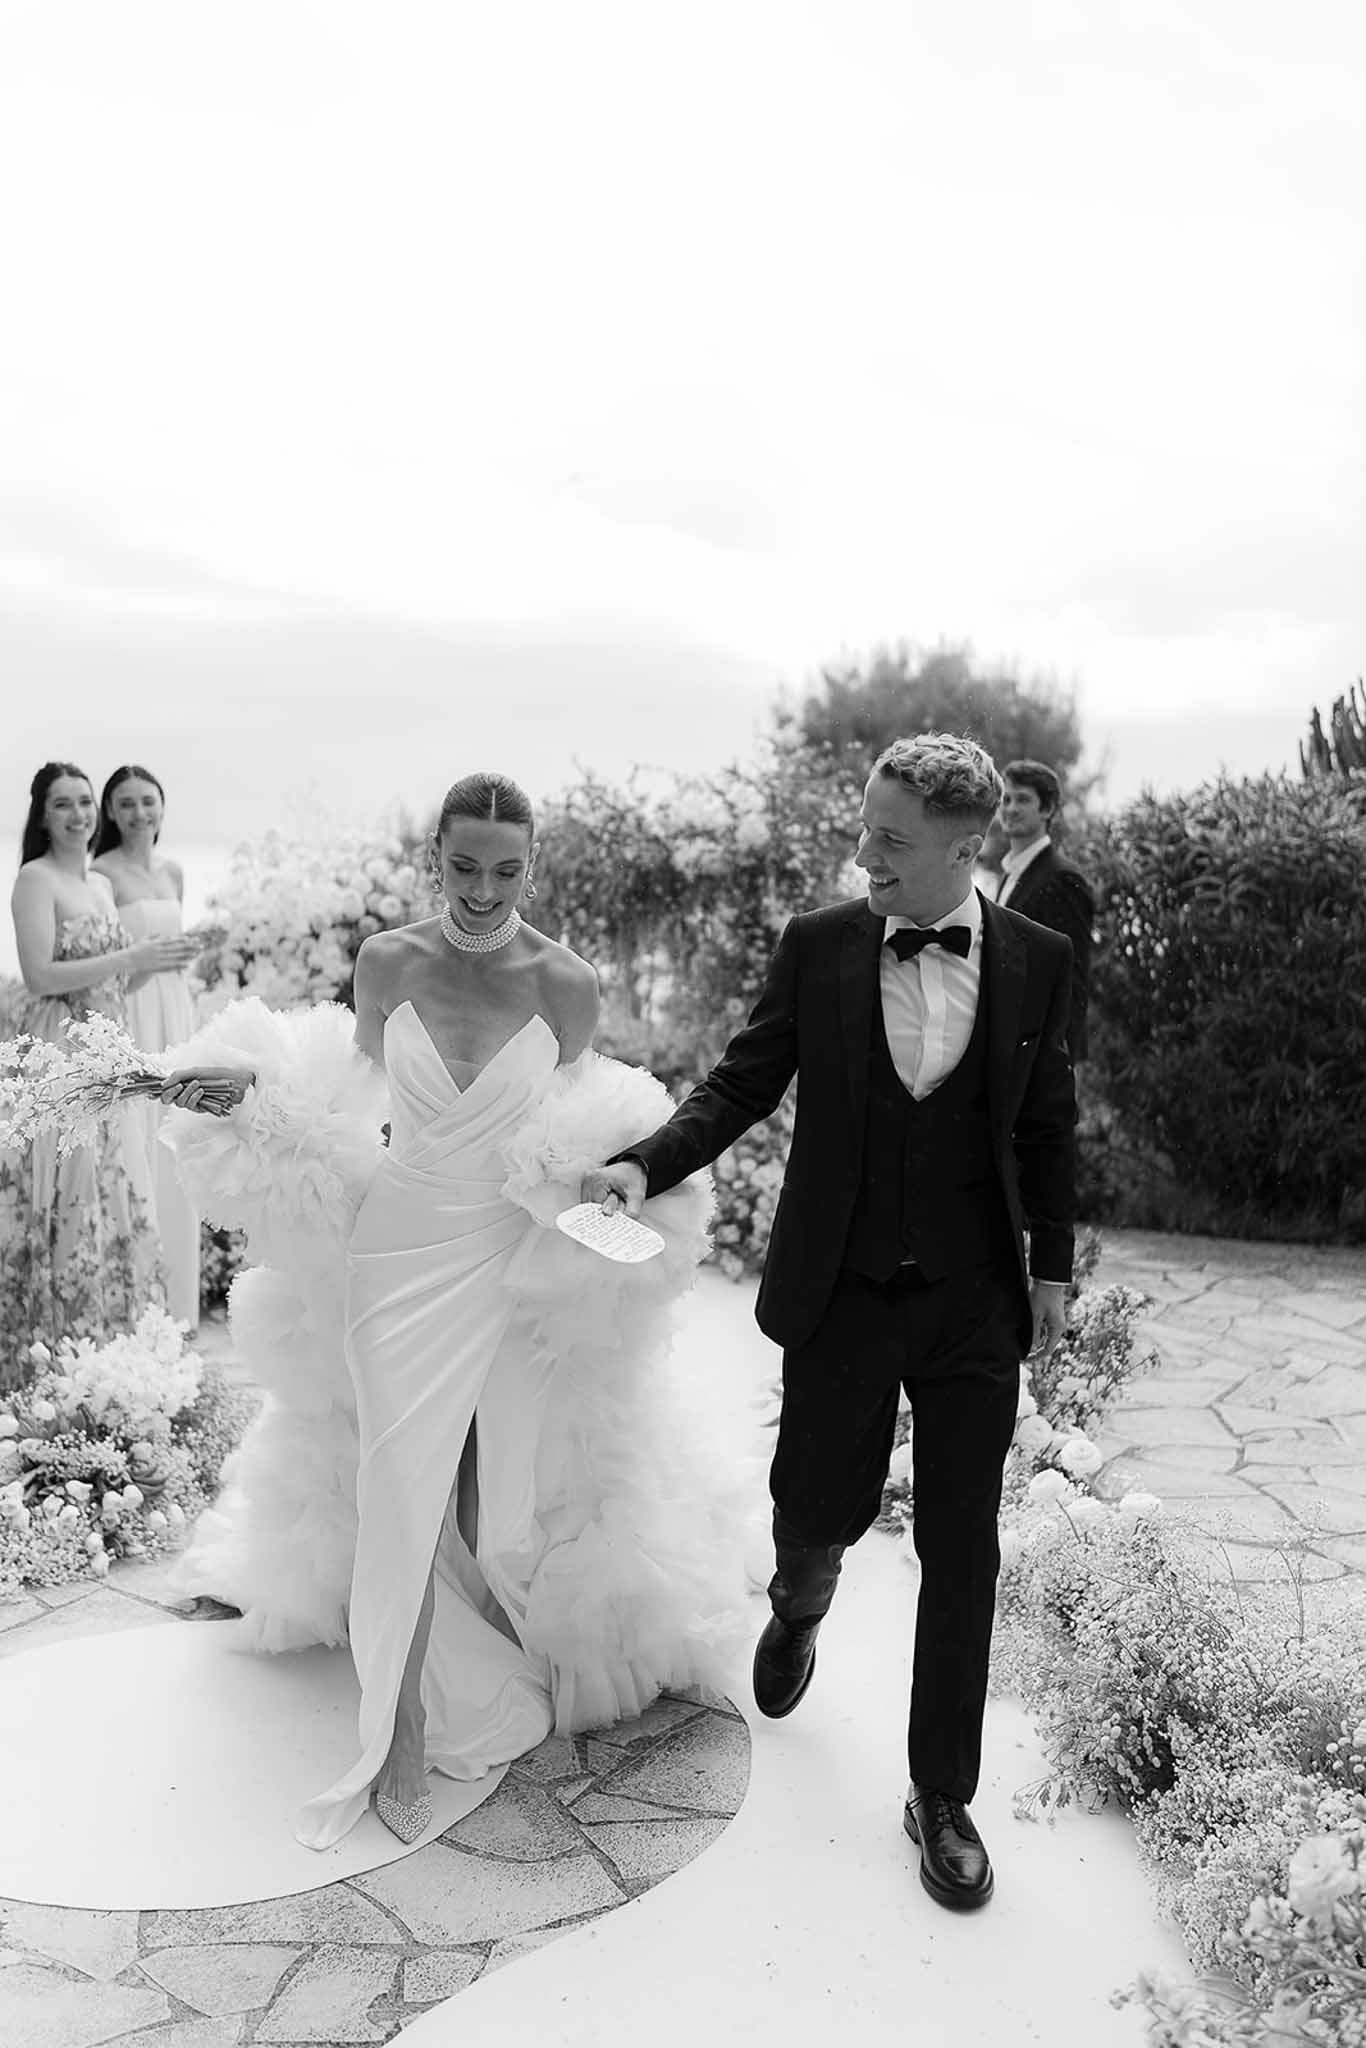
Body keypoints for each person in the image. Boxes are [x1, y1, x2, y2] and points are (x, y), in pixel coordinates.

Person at [157, 772, 754, 1851]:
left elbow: (570, 1126)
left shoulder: (567, 984)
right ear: (433, 858)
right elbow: (353, 1099)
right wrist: (249, 1099)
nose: (483, 889)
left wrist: (591, 1201)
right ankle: (399, 1722)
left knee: (499, 1484)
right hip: (397, 1245)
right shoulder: (387, 960)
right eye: (464, 865)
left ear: (533, 868)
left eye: (507, 868)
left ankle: (478, 1632)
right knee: (403, 1477)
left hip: (503, 1254)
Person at [582, 733, 1077, 1914]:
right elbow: (740, 1080)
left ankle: (940, 1792)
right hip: (843, 1288)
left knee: (963, 1544)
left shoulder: (1039, 957)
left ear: (968, 849)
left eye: (890, 842)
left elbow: (1046, 1116)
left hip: (970, 1303)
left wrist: (1050, 1265)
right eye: (862, 829)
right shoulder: (820, 946)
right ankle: (798, 1605)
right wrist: (643, 1166)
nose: (863, 855)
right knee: (817, 1504)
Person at [0, 763, 197, 1382]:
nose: (79, 815)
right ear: (43, 815)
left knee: (118, 1192)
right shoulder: (35, 880)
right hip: (63, 1052)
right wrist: (131, 954)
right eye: (65, 805)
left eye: (85, 803)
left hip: (111, 1052)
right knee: (69, 1193)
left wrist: (155, 964)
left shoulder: (101, 888)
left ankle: (112, 1345)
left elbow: (113, 977)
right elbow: (40, 976)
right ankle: (55, 1347)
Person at [92, 764, 201, 1329]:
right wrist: (148, 963)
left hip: (174, 1008)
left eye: (148, 801)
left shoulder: (175, 872)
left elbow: (170, 952)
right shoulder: (101, 876)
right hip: (132, 1011)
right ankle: (136, 1304)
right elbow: (110, 968)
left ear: (162, 806)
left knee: (176, 1145)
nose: (140, 813)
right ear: (110, 811)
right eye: (127, 803)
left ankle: (179, 1308)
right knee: (137, 1145)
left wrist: (187, 955)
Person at [996, 760, 1095, 1061]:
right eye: (1006, 799)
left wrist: (1057, 1059)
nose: (1010, 808)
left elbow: (1073, 979)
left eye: (1023, 799)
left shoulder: (1063, 878)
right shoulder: (1009, 875)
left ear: (1048, 809)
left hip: (1040, 1055)